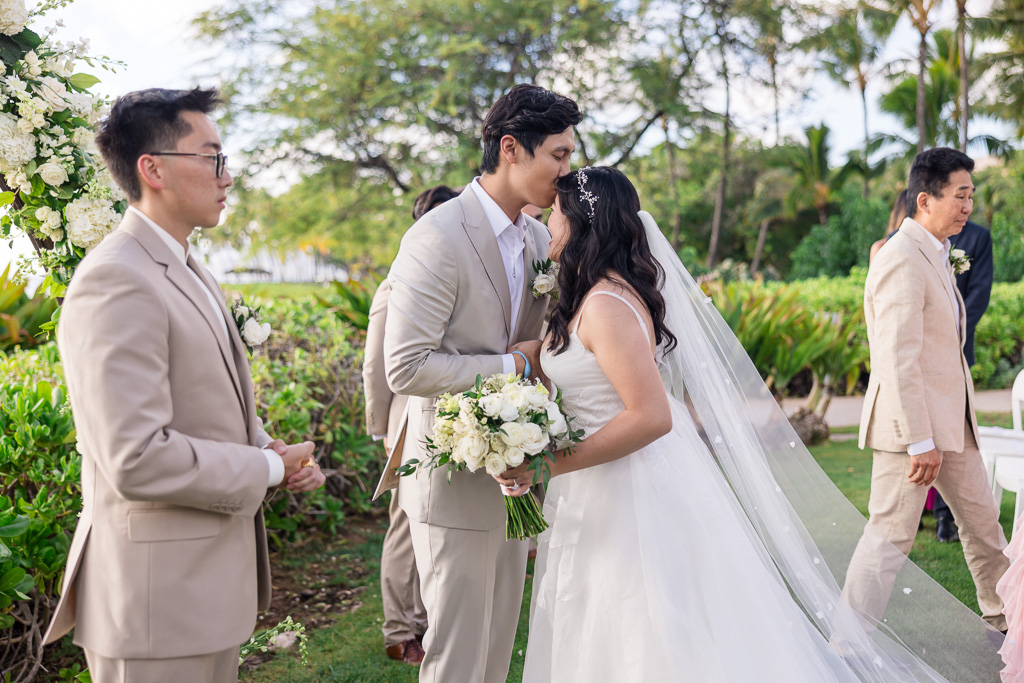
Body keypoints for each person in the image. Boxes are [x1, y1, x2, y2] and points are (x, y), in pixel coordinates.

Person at [495, 165, 1004, 681]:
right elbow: (590, 369)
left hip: (629, 487)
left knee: (642, 619)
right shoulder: (591, 297)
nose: (547, 220)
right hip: (594, 487)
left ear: (584, 221)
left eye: (556, 212)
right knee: (593, 616)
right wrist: (527, 360)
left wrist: (551, 465)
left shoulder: (606, 304)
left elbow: (651, 416)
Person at [41, 88, 325, 682]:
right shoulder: (116, 279)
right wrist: (266, 471)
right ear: (153, 169)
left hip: (199, 596)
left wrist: (269, 449)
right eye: (213, 157)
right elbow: (136, 456)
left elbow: (197, 401)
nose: (227, 175)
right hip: (153, 607)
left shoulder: (186, 265)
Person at [380, 84, 580, 683]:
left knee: (495, 655)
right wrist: (514, 366)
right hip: (451, 476)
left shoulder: (543, 240)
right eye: (560, 156)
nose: (568, 172)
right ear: (512, 149)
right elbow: (407, 366)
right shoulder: (437, 237)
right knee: (456, 659)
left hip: (516, 477)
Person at [844, 148, 1008, 635]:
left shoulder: (936, 251)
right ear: (924, 199)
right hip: (910, 430)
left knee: (985, 531)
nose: (967, 207)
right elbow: (897, 358)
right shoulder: (900, 257)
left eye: (971, 196)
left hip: (953, 424)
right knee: (889, 539)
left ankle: (1007, 629)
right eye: (959, 196)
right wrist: (920, 440)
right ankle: (848, 646)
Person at [363, 184, 458, 666]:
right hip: (406, 422)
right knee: (404, 523)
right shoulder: (396, 282)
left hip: (453, 420)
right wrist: (381, 430)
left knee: (433, 523)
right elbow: (377, 364)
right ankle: (399, 629)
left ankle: (425, 618)